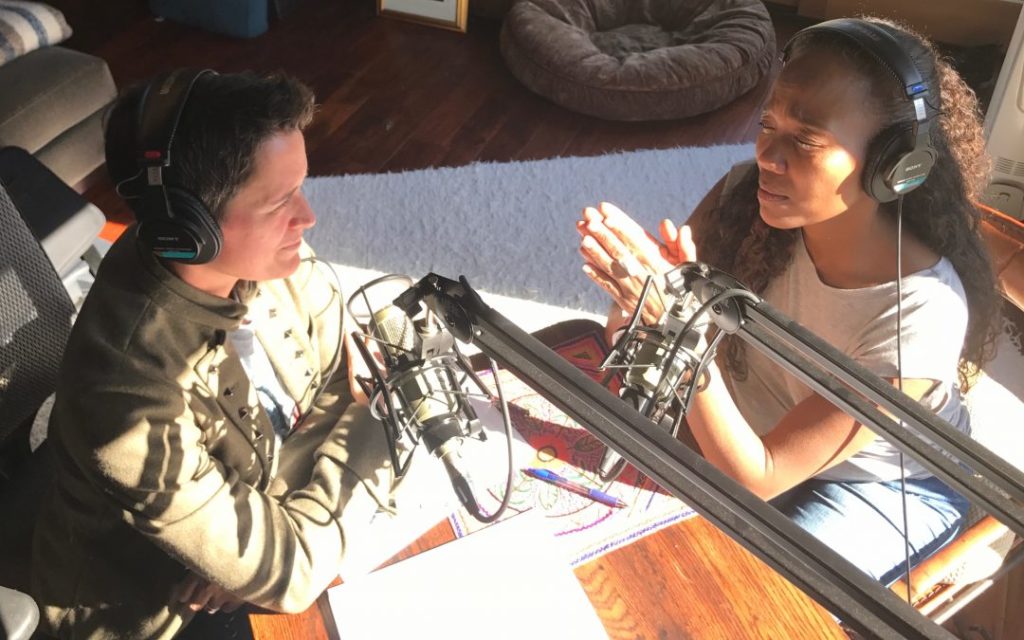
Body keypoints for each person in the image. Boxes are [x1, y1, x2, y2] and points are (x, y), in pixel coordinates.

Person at [577, 17, 1001, 587]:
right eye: (768, 124)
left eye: (804, 140)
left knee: (728, 591)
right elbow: (625, 346)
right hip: (756, 428)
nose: (769, 157)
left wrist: (679, 336)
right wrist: (640, 305)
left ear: (895, 167)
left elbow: (760, 475)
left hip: (878, 486)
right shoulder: (739, 197)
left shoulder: (922, 315)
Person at [30, 69, 417, 638]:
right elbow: (291, 573)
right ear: (188, 229)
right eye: (280, 200)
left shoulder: (261, 256)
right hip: (160, 609)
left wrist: (265, 530)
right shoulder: (124, 399)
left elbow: (352, 367)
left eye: (300, 186)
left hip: (255, 524)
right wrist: (380, 420)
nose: (307, 218)